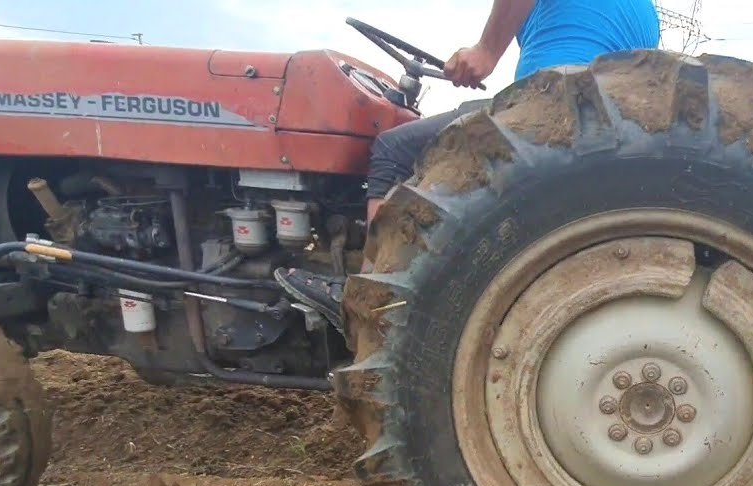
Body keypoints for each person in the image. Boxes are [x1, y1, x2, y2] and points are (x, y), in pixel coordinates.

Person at [276, 0, 662, 332]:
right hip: (595, 121)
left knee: (394, 149)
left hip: (548, 105)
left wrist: (485, 50)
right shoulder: (643, 13)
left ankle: (367, 300)